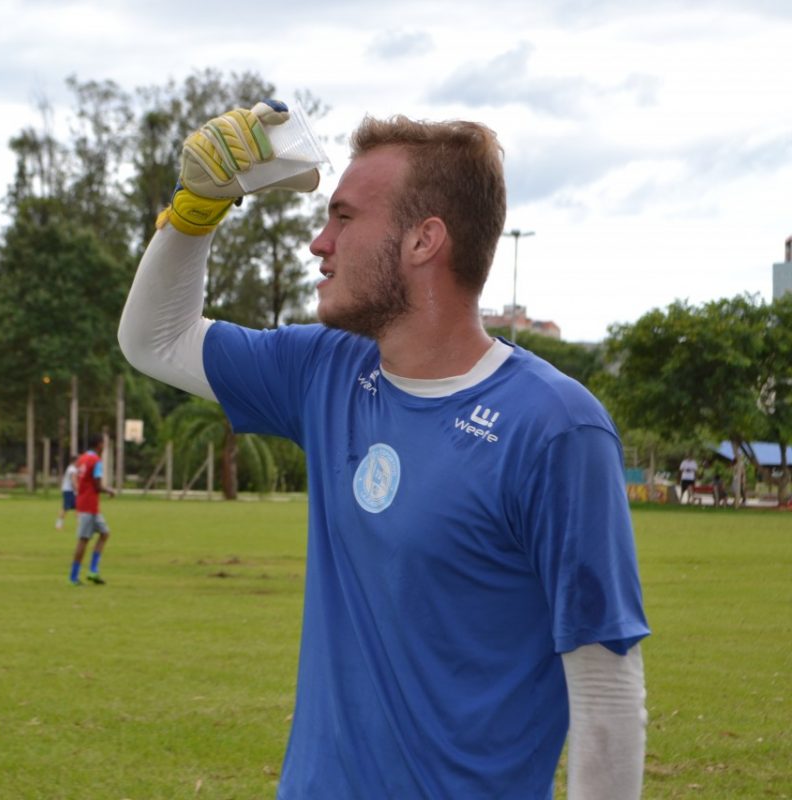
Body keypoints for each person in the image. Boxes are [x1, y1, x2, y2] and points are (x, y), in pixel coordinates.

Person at [118, 101, 650, 798]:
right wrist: (195, 211)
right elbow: (154, 341)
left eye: (343, 217)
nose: (318, 241)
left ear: (424, 241)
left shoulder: (552, 427)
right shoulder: (327, 369)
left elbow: (606, 690)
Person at [68, 434, 114, 585]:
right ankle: (73, 577)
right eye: (104, 444)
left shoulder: (82, 458)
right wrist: (109, 490)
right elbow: (97, 485)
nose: (105, 447)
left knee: (105, 533)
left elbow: (75, 475)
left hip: (88, 504)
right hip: (88, 505)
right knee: (83, 540)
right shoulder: (96, 461)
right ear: (99, 444)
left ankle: (93, 571)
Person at [55, 455, 78, 530]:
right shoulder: (72, 469)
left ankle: (81, 525)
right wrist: (77, 489)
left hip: (70, 491)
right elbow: (73, 481)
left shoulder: (72, 468)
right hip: (69, 491)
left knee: (78, 507)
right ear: (75, 461)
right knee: (65, 508)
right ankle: (59, 524)